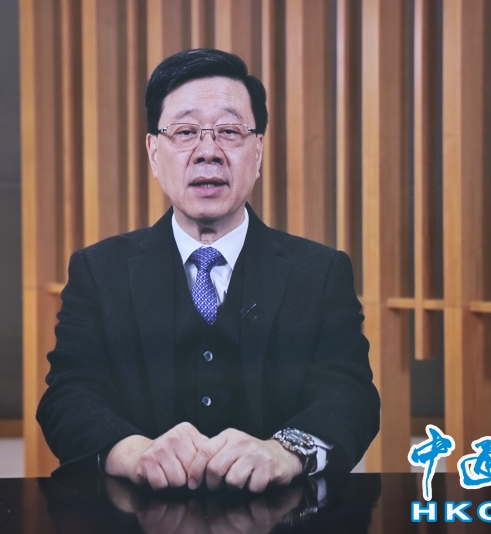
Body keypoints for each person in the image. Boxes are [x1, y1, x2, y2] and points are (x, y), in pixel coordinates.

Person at [36, 49, 379, 492]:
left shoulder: (320, 272)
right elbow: (68, 394)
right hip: (136, 512)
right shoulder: (99, 272)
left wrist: (284, 451)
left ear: (258, 151)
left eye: (230, 132)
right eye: (185, 132)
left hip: (283, 511)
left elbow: (351, 395)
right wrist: (132, 452)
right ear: (153, 152)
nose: (208, 152)